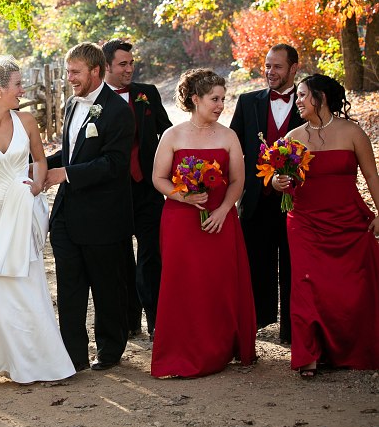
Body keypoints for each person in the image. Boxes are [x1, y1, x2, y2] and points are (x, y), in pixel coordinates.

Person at [0, 57, 75, 383]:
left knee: (25, 284)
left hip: (23, 210)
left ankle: (36, 362)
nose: (23, 90)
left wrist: (37, 184)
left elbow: (40, 160)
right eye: (18, 84)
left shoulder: (27, 121)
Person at [150, 69, 256, 378]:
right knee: (183, 284)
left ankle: (219, 349)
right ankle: (181, 351)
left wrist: (224, 209)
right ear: (195, 99)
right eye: (214, 99)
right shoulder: (173, 135)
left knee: (217, 284)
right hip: (181, 222)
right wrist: (182, 197)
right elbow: (158, 178)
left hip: (221, 221)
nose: (221, 105)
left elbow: (238, 180)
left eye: (223, 99)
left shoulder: (228, 136)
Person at [272, 74, 379, 377]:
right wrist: (278, 182)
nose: (299, 102)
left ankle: (353, 349)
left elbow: (371, 176)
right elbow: (279, 178)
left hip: (348, 221)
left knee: (353, 286)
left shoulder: (353, 133)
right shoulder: (293, 137)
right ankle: (309, 354)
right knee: (306, 285)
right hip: (305, 222)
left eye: (304, 95)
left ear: (321, 97)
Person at [44, 42, 135, 371]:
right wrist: (38, 165)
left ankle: (109, 351)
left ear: (96, 71)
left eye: (75, 72)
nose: (69, 78)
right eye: (68, 71)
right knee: (69, 287)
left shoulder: (118, 111)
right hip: (67, 215)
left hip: (103, 217)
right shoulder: (71, 105)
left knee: (107, 287)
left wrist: (63, 174)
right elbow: (70, 154)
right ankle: (73, 355)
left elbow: (113, 164)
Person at [229, 44, 303, 343]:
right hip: (256, 199)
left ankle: (291, 327)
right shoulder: (248, 102)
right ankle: (258, 322)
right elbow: (233, 148)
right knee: (255, 262)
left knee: (293, 263)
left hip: (297, 200)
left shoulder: (308, 101)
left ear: (294, 68)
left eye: (278, 67)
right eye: (267, 66)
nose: (270, 72)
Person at [102, 39, 172, 340]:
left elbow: (167, 130)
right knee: (120, 259)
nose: (129, 69)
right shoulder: (95, 100)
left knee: (152, 255)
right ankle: (129, 321)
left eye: (131, 63)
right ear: (106, 67)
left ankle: (157, 319)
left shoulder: (147, 93)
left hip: (148, 187)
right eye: (122, 64)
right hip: (113, 192)